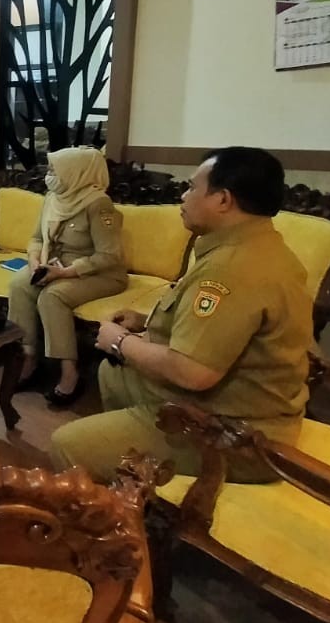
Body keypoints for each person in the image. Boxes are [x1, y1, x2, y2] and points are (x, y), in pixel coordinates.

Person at [51, 147, 312, 484]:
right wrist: (146, 324)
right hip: (215, 403)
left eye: (192, 188)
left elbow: (194, 373)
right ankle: (132, 484)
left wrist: (120, 343)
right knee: (111, 375)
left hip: (229, 431)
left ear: (222, 200)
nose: (184, 197)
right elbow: (222, 328)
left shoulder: (230, 269)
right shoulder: (255, 247)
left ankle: (112, 518)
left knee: (64, 445)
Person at [8, 147, 127, 406]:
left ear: (75, 172)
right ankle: (28, 358)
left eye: (55, 170)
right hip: (54, 267)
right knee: (19, 283)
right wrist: (35, 261)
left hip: (101, 274)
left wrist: (64, 272)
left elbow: (109, 256)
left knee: (52, 296)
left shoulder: (98, 204)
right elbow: (36, 238)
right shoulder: (54, 197)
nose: (50, 175)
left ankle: (69, 374)